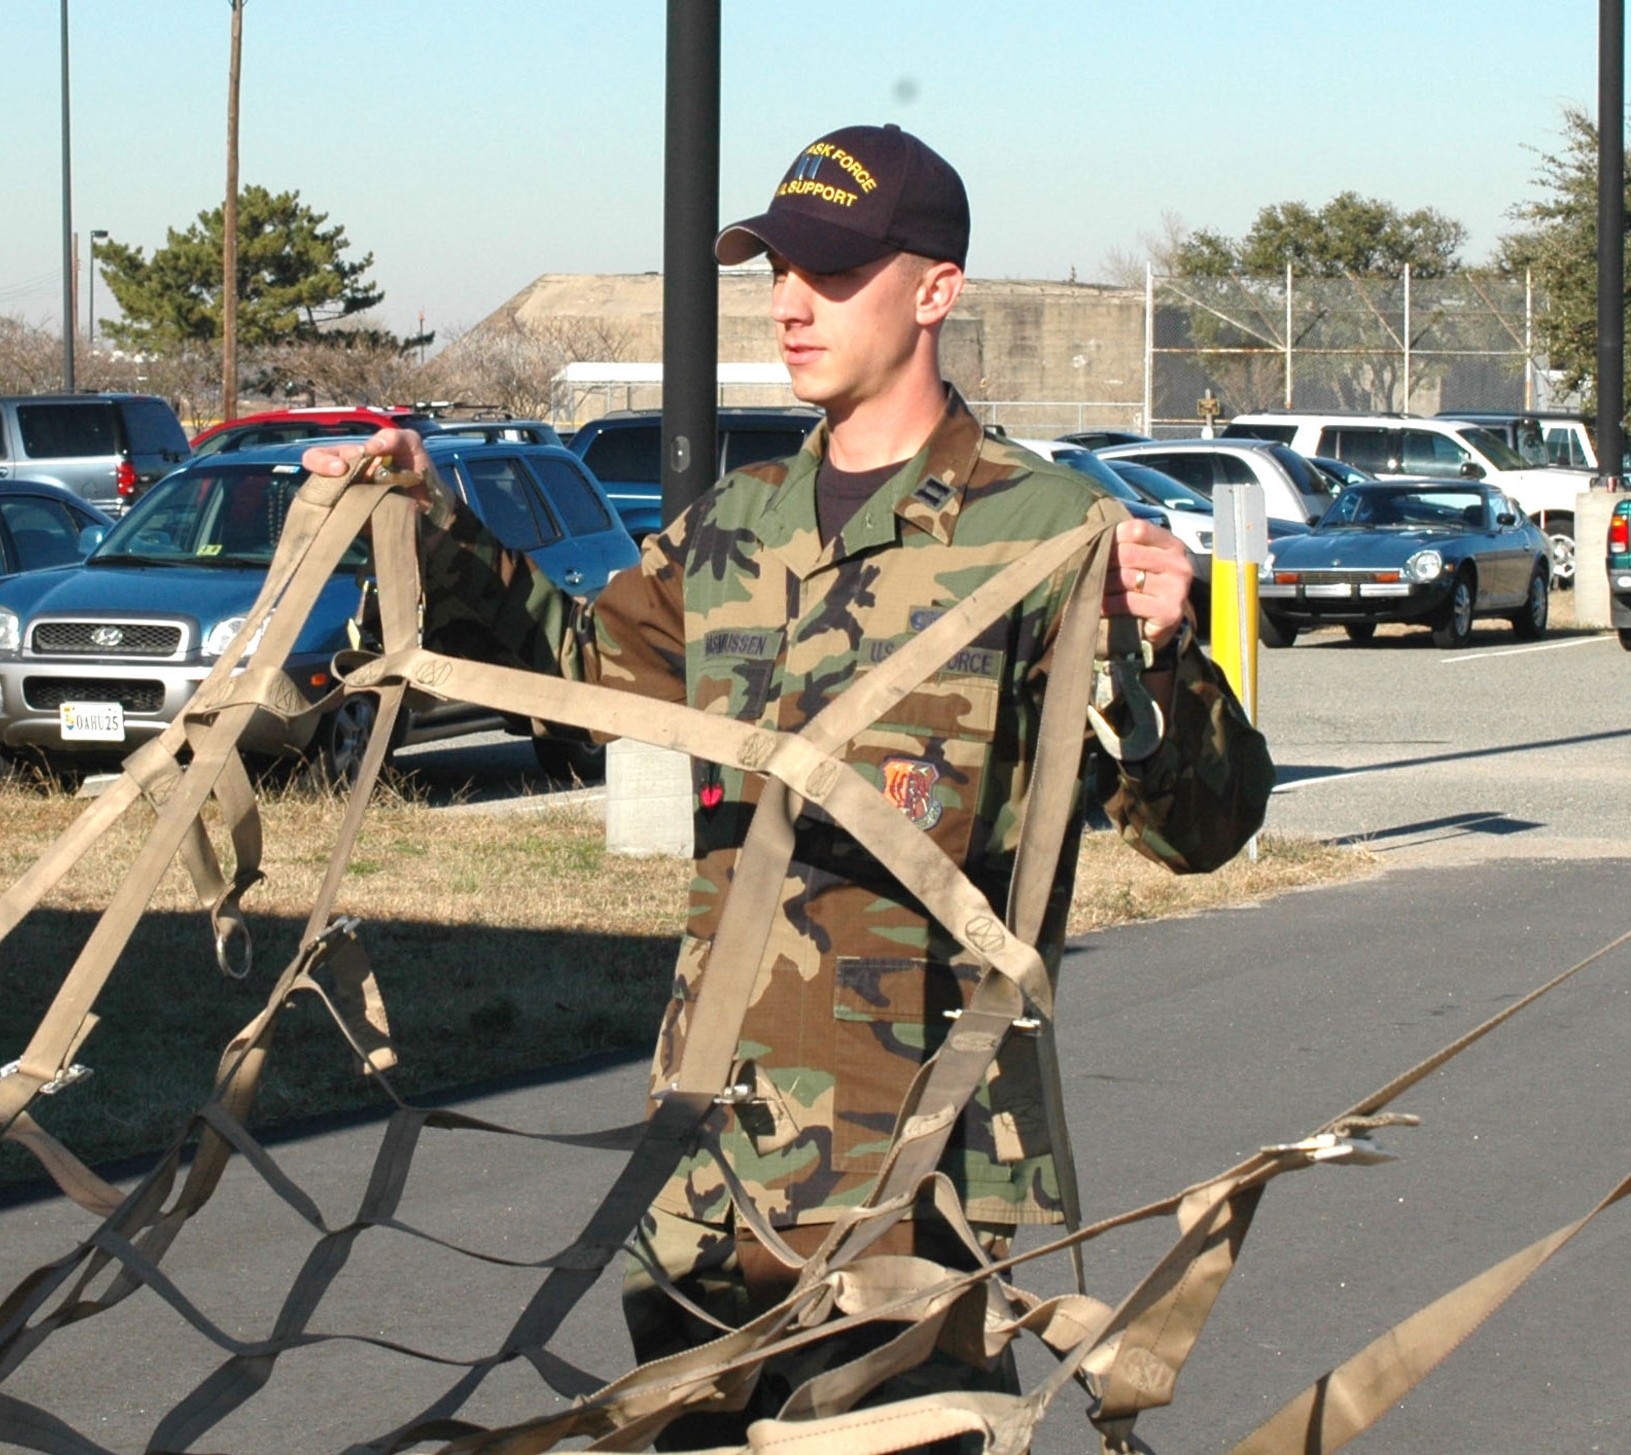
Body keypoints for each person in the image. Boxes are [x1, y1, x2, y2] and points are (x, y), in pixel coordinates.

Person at [307, 123, 1273, 1438]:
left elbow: (1195, 836)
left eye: (830, 270)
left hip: (917, 1172)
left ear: (935, 290)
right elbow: (589, 674)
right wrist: (427, 524)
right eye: (777, 269)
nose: (791, 302)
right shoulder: (736, 522)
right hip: (711, 1166)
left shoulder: (1042, 534)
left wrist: (1167, 656)